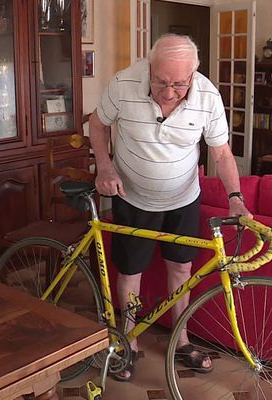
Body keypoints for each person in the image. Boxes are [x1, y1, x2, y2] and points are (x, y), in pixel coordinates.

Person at [88, 34, 252, 381]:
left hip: (182, 199)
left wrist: (235, 198)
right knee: (131, 271)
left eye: (179, 84)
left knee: (181, 270)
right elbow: (98, 124)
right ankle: (128, 341)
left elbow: (221, 153)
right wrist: (105, 166)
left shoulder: (207, 96)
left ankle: (182, 340)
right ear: (149, 68)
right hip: (132, 197)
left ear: (194, 74)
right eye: (161, 81)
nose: (168, 92)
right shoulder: (123, 83)